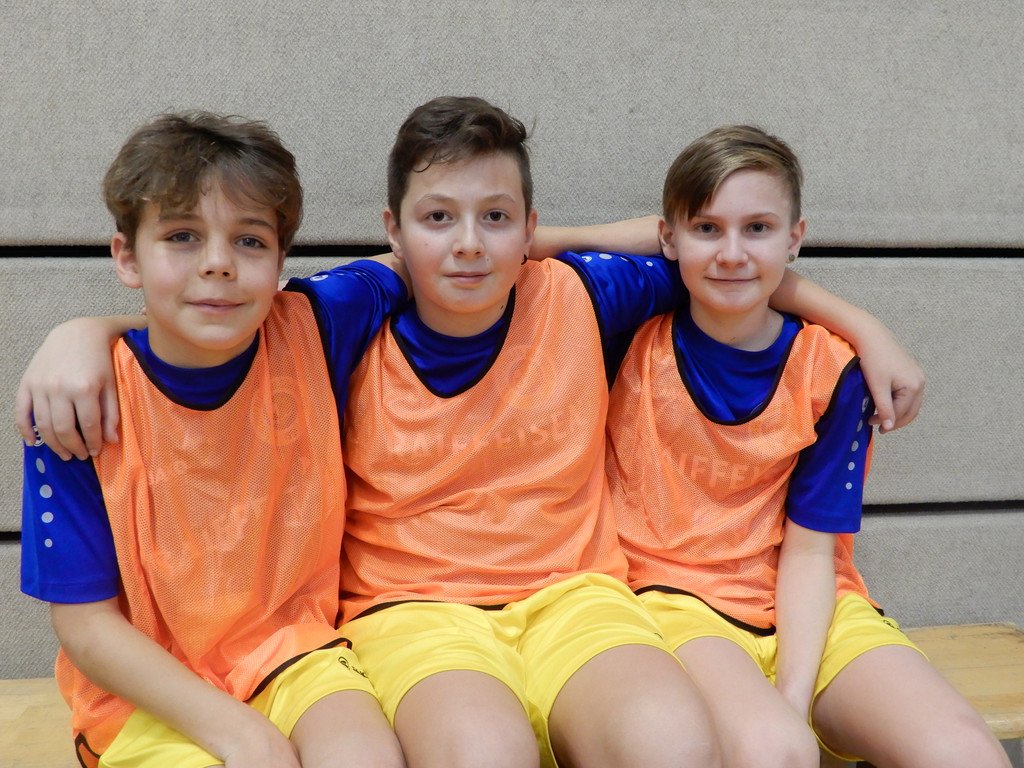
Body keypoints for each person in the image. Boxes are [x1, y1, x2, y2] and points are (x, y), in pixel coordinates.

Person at [17, 98, 926, 768]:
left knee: (674, 742)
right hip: (404, 612)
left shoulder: (576, 292)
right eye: (438, 219)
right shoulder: (341, 315)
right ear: (395, 234)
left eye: (496, 219)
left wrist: (864, 326)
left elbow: (714, 259)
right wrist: (84, 332)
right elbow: (204, 327)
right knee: (482, 753)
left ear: (529, 229)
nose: (466, 244)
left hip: (568, 597)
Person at [604, 124, 1009, 768]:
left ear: (795, 238)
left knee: (964, 752)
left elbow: (813, 549)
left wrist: (794, 694)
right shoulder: (626, 326)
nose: (732, 253)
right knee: (774, 749)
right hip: (673, 597)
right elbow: (532, 256)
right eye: (707, 228)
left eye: (758, 228)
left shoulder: (833, 367)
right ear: (668, 238)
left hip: (812, 601)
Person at [20, 112, 409, 768]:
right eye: (182, 236)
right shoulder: (75, 403)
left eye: (250, 241)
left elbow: (436, 251)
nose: (219, 264)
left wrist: (86, 325)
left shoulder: (318, 324)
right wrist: (242, 735)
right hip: (146, 694)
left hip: (294, 653)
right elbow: (85, 623)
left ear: (281, 261)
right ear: (127, 257)